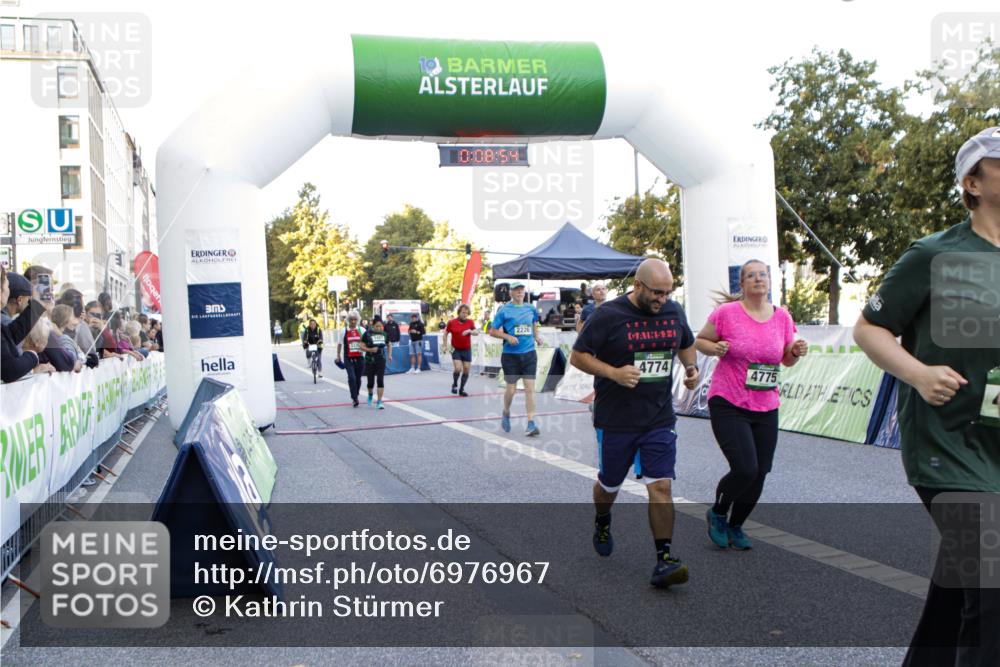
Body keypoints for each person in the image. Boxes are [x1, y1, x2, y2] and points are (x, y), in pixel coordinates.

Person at [853, 126, 1000, 665]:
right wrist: (916, 373)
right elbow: (869, 328)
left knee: (960, 588)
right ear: (973, 182)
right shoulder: (934, 254)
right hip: (949, 445)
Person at [570, 258, 700, 589]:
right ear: (638, 286)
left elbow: (685, 343)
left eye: (668, 292)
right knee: (608, 486)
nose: (662, 299)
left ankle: (665, 558)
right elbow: (578, 355)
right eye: (656, 292)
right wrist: (614, 373)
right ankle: (602, 518)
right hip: (616, 419)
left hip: (658, 417)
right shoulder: (609, 315)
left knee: (661, 485)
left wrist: (691, 369)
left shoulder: (673, 311)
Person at [694, 260, 807, 550]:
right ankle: (718, 513)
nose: (758, 279)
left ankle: (737, 525)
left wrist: (795, 351)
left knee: (760, 471)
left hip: (766, 403)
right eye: (751, 276)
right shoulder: (727, 313)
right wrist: (715, 347)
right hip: (729, 400)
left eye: (763, 275)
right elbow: (701, 341)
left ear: (769, 282)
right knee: (745, 468)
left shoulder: (782, 317)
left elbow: (786, 359)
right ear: (742, 284)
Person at [489, 281, 544, 436]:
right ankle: (506, 412)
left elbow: (534, 324)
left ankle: (531, 423)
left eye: (522, 289)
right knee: (511, 389)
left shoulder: (531, 308)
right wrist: (507, 336)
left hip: (529, 354)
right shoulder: (504, 310)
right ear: (511, 293)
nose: (520, 292)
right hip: (510, 356)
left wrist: (537, 337)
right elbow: (492, 331)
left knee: (530, 389)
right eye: (516, 290)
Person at [1, 267, 56, 382]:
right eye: (6, 286)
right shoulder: (4, 319)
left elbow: (10, 335)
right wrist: (32, 355)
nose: (8, 290)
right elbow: (9, 369)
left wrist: (38, 305)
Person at [444, 304, 478, 396]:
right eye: (463, 312)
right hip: (456, 349)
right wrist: (445, 346)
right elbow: (445, 334)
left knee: (466, 369)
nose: (465, 314)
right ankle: (455, 384)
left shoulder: (470, 322)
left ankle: (461, 389)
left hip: (466, 349)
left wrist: (470, 331)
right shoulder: (451, 322)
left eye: (466, 313)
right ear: (459, 312)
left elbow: (476, 332)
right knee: (458, 368)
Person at [335, 310, 366, 407]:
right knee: (352, 378)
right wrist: (338, 355)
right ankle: (354, 398)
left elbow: (368, 342)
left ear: (358, 320)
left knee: (358, 379)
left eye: (355, 319)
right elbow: (340, 344)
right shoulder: (344, 330)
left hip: (360, 357)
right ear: (348, 320)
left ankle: (356, 394)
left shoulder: (362, 330)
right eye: (351, 319)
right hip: (348, 357)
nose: (353, 321)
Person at [362, 316, 392, 409]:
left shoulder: (384, 334)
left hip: (381, 359)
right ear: (373, 325)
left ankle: (379, 401)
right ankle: (370, 394)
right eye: (377, 326)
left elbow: (389, 344)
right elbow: (361, 346)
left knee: (380, 380)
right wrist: (370, 349)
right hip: (369, 360)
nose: (379, 328)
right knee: (370, 382)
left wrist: (390, 355)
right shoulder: (367, 334)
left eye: (380, 326)